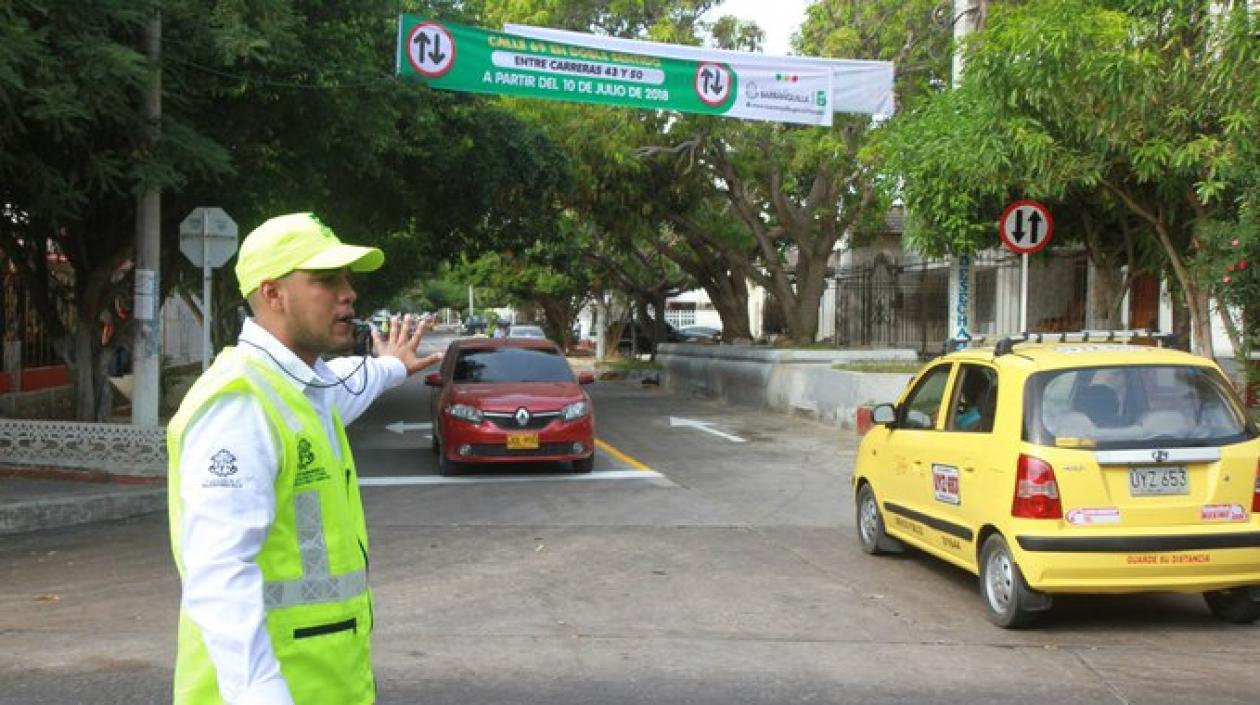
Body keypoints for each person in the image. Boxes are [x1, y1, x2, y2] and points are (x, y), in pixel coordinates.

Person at [166, 212, 442, 705]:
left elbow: (351, 385)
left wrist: (391, 368)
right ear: (273, 294)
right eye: (326, 280)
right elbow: (219, 572)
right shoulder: (241, 403)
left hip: (325, 682)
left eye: (347, 279)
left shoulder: (305, 391)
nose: (349, 294)